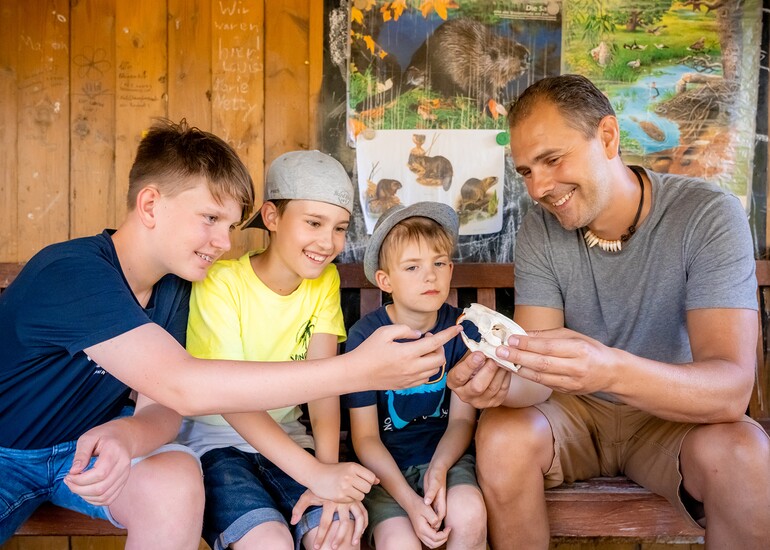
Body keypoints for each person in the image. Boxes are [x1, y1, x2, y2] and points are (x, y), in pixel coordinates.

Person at [0, 119, 461, 547]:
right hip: (6, 455)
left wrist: (128, 434)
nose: (224, 243)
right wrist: (360, 370)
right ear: (150, 205)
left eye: (230, 225)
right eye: (209, 219)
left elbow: (160, 408)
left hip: (84, 454)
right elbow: (185, 387)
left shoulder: (174, 286)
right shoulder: (72, 271)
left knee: (175, 477)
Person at [447, 74, 770, 548]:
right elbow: (538, 377)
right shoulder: (541, 228)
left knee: (746, 455)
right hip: (573, 414)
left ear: (607, 137)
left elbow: (730, 392)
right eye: (526, 172)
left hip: (672, 416)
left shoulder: (707, 214)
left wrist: (610, 370)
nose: (539, 188)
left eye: (552, 160)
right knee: (501, 437)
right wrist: (495, 386)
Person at [177, 150, 374, 550]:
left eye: (339, 228)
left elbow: (323, 385)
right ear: (271, 217)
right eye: (314, 223)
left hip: (291, 441)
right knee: (269, 541)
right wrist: (316, 474)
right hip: (215, 445)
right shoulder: (221, 283)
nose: (328, 242)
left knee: (337, 534)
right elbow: (229, 399)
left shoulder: (324, 281)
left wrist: (328, 477)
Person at [344, 202, 550, 550]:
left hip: (449, 458)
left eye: (439, 263)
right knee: (398, 543)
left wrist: (438, 470)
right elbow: (365, 439)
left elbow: (461, 421)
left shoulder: (463, 331)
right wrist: (410, 502)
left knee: (468, 515)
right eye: (412, 267)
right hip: (385, 472)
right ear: (385, 280)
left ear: (451, 269)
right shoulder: (365, 337)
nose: (430, 276)